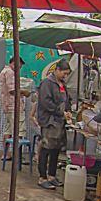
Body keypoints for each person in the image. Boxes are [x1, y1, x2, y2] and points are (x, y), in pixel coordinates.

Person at [36, 59, 71, 190]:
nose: (65, 76)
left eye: (67, 74)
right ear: (57, 70)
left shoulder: (62, 84)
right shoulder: (47, 83)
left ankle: (52, 175)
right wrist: (60, 112)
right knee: (46, 149)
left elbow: (68, 100)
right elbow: (45, 102)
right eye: (64, 73)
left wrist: (68, 111)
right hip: (50, 121)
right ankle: (42, 177)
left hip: (60, 122)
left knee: (56, 149)